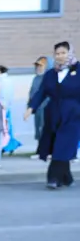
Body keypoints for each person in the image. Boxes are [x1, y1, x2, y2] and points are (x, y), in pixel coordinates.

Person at [26, 41, 80, 190]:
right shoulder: (51, 73)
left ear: (70, 53)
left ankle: (54, 177)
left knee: (63, 146)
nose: (60, 56)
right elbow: (42, 92)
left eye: (63, 53)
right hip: (53, 114)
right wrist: (31, 107)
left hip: (73, 115)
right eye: (57, 53)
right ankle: (66, 177)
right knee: (57, 145)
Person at [29, 56, 50, 150]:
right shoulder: (36, 78)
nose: (38, 68)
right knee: (38, 129)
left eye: (41, 66)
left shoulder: (49, 78)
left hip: (47, 108)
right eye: (37, 66)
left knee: (45, 129)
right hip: (37, 108)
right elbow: (32, 92)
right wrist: (30, 106)